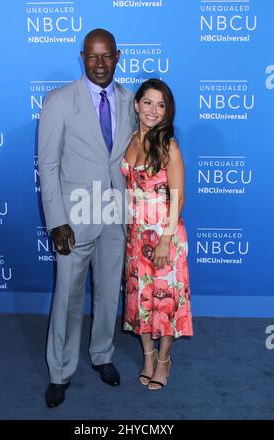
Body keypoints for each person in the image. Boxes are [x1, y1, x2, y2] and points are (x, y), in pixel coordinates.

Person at [38, 28, 136, 407]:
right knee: (67, 296)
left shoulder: (131, 101)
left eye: (106, 55)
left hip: (116, 213)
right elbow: (48, 166)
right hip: (74, 217)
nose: (99, 63)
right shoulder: (60, 101)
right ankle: (59, 371)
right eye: (92, 56)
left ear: (118, 56)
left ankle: (102, 355)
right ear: (82, 57)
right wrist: (56, 219)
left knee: (110, 292)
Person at [120, 78, 193, 390]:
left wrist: (165, 239)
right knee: (141, 298)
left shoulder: (168, 145)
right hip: (136, 235)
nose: (153, 110)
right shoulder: (132, 140)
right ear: (136, 105)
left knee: (165, 302)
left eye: (160, 105)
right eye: (147, 102)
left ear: (167, 111)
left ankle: (163, 360)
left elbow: (179, 197)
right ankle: (147, 355)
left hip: (164, 236)